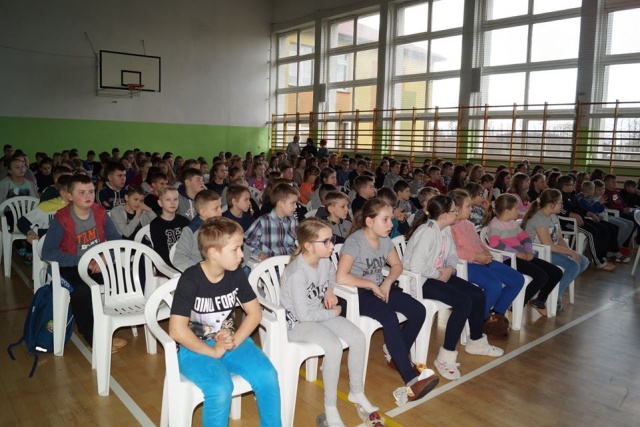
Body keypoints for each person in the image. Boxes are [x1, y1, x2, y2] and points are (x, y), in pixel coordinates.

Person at [169, 217, 281, 426]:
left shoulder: (235, 274)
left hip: (231, 343)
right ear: (213, 253)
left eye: (241, 247)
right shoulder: (190, 279)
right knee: (220, 389)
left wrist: (233, 341)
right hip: (195, 348)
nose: (242, 254)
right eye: (235, 249)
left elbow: (255, 313)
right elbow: (176, 330)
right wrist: (213, 351)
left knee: (268, 376)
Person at [336, 198, 439, 401]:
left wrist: (387, 282)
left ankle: (396, 355)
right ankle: (410, 379)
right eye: (385, 219)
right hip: (356, 294)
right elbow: (341, 277)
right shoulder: (355, 242)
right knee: (389, 317)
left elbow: (397, 265)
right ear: (369, 221)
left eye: (391, 219)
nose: (391, 224)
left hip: (378, 288)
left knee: (418, 311)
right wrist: (372, 285)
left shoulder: (384, 240)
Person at [280, 218, 379, 426]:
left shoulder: (324, 260)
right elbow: (303, 316)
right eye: (325, 241)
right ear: (308, 245)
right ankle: (330, 406)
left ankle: (356, 391)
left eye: (331, 240)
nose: (331, 245)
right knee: (333, 346)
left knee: (358, 337)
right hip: (296, 324)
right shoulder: (297, 273)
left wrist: (329, 291)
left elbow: (333, 276)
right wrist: (333, 313)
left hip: (318, 314)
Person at [403, 195, 504, 381]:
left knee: (477, 294)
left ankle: (476, 342)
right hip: (420, 280)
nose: (456, 213)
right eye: (453, 211)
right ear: (443, 215)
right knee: (463, 302)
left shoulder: (446, 229)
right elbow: (416, 267)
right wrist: (438, 274)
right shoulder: (427, 232)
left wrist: (449, 268)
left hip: (439, 275)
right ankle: (445, 357)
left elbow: (452, 254)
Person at [42, 174, 123, 349]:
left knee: (125, 277)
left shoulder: (100, 213)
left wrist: (105, 257)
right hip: (69, 266)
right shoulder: (61, 219)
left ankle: (111, 326)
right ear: (69, 196)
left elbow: (115, 240)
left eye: (91, 192)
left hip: (97, 264)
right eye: (81, 192)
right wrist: (83, 261)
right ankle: (92, 336)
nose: (88, 196)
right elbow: (47, 252)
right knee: (82, 290)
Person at [449, 190, 524, 338]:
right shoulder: (449, 227)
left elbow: (478, 242)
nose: (471, 209)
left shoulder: (468, 224)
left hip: (482, 260)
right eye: (468, 206)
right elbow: (454, 251)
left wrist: (486, 252)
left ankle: (497, 314)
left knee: (517, 279)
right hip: (465, 265)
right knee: (494, 285)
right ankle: (479, 320)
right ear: (456, 208)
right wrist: (478, 257)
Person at [484, 193, 563, 314]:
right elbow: (495, 244)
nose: (519, 210)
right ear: (507, 211)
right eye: (516, 209)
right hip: (508, 259)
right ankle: (516, 306)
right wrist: (516, 253)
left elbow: (525, 238)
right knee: (541, 276)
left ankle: (539, 300)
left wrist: (528, 250)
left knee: (556, 272)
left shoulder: (512, 222)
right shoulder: (495, 224)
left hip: (521, 256)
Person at [522, 189, 589, 303]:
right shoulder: (539, 218)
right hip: (538, 253)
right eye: (560, 203)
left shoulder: (553, 216)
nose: (562, 206)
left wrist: (570, 252)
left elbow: (560, 239)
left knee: (583, 261)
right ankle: (551, 298)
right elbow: (548, 244)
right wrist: (571, 253)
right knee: (573, 266)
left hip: (550, 250)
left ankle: (553, 291)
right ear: (551, 204)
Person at [244, 183, 299, 262]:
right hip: (270, 265)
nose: (296, 206)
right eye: (293, 203)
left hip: (289, 263)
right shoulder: (263, 222)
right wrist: (259, 253)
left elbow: (297, 243)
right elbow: (247, 243)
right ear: (280, 203)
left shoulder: (293, 221)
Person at [173, 190, 223, 272]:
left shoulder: (224, 224)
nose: (221, 211)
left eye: (220, 207)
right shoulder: (190, 230)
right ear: (203, 212)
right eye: (216, 208)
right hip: (202, 272)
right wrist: (203, 270)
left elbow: (240, 245)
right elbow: (179, 258)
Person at [149, 186, 190, 269]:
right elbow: (161, 252)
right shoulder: (156, 225)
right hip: (167, 265)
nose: (172, 203)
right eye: (168, 199)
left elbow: (190, 244)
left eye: (175, 199)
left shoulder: (184, 221)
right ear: (160, 203)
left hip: (185, 260)